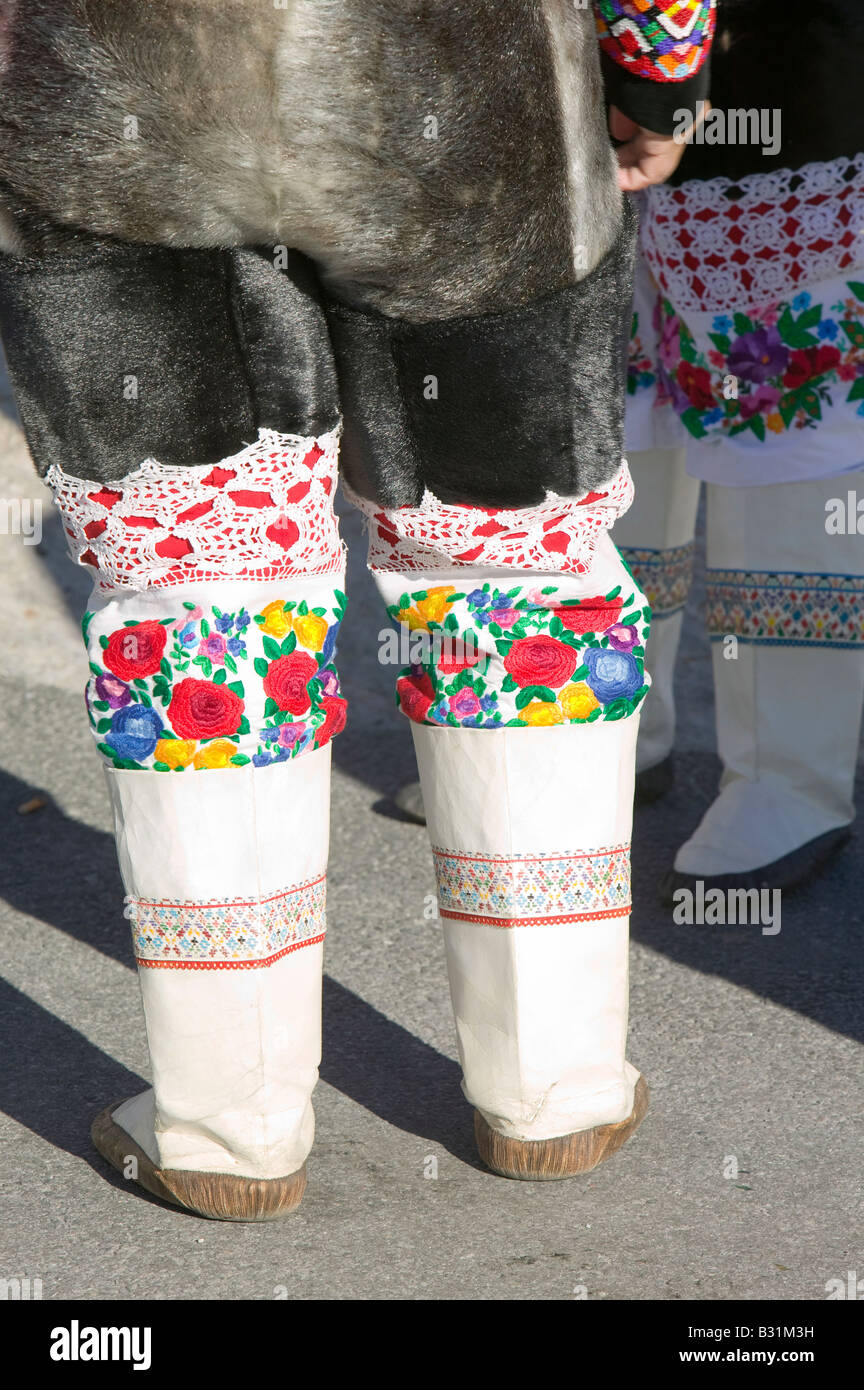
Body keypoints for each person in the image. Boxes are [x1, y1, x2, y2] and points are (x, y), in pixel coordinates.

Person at [0, 1, 714, 1219]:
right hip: (470, 95)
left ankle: (230, 1127)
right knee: (512, 560)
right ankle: (553, 1085)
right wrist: (660, 68)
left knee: (201, 588)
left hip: (115, 91)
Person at [617, 0, 864, 897]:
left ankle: (789, 781)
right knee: (610, 426)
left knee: (785, 434)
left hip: (778, 86)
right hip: (588, 81)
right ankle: (609, 723)